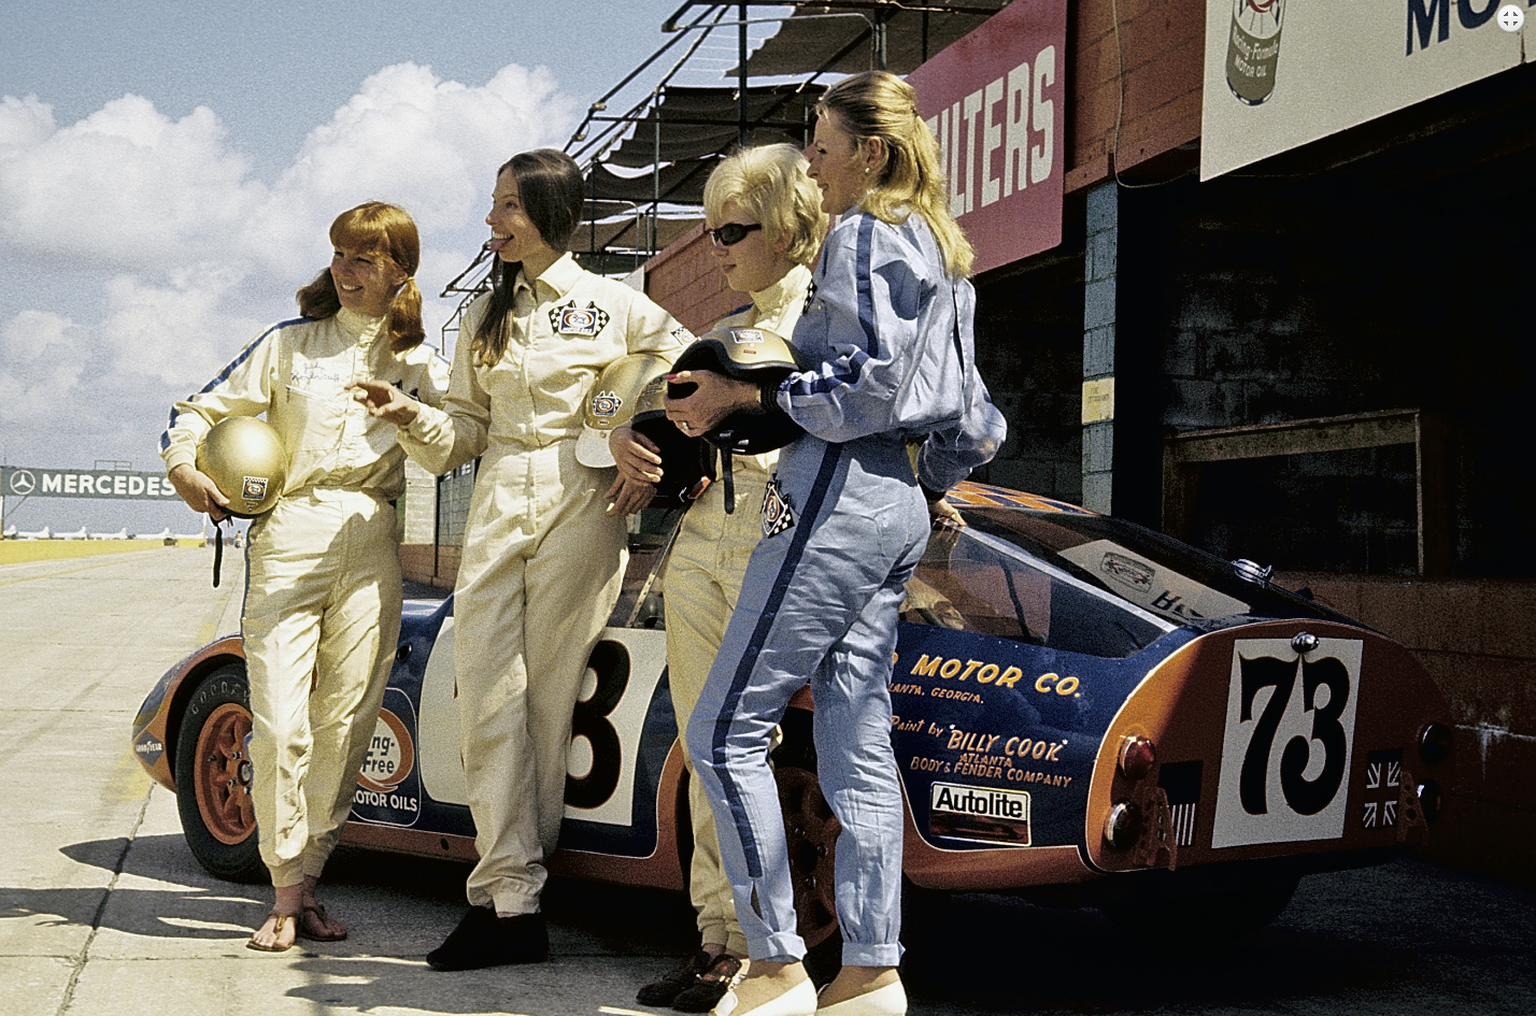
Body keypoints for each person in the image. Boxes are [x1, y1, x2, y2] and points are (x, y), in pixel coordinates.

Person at [663, 71, 1006, 1016]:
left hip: (833, 489)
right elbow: (976, 420)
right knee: (858, 735)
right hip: (896, 501)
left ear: (873, 153)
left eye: (821, 145)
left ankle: (773, 963)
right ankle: (869, 970)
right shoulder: (948, 253)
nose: (810, 164)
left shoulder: (861, 233)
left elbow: (870, 385)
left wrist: (750, 398)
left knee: (723, 730)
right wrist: (919, 486)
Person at [347, 148, 689, 969]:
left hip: (585, 495)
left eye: (507, 206)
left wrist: (632, 433)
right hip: (500, 488)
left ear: (550, 213)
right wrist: (408, 414)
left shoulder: (617, 304)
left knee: (546, 695)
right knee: (485, 692)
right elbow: (462, 430)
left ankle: (515, 903)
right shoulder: (483, 316)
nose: (492, 220)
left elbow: (680, 369)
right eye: (494, 204)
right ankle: (508, 894)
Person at [160, 201, 449, 952]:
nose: (343, 271)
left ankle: (304, 883)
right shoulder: (288, 346)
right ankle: (282, 884)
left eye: (363, 259)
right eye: (339, 256)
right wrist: (185, 469)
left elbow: (464, 440)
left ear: (399, 272)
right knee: (282, 723)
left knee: (347, 721)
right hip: (289, 532)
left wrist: (414, 415)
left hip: (373, 537)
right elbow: (195, 410)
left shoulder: (422, 363)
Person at [611, 143, 827, 1013]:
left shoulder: (835, 319)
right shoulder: (735, 322)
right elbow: (683, 418)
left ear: (783, 227)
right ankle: (718, 945)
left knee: (755, 753)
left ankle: (779, 952)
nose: (716, 248)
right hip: (703, 541)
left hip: (787, 539)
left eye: (732, 230)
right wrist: (637, 436)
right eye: (708, 232)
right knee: (708, 747)